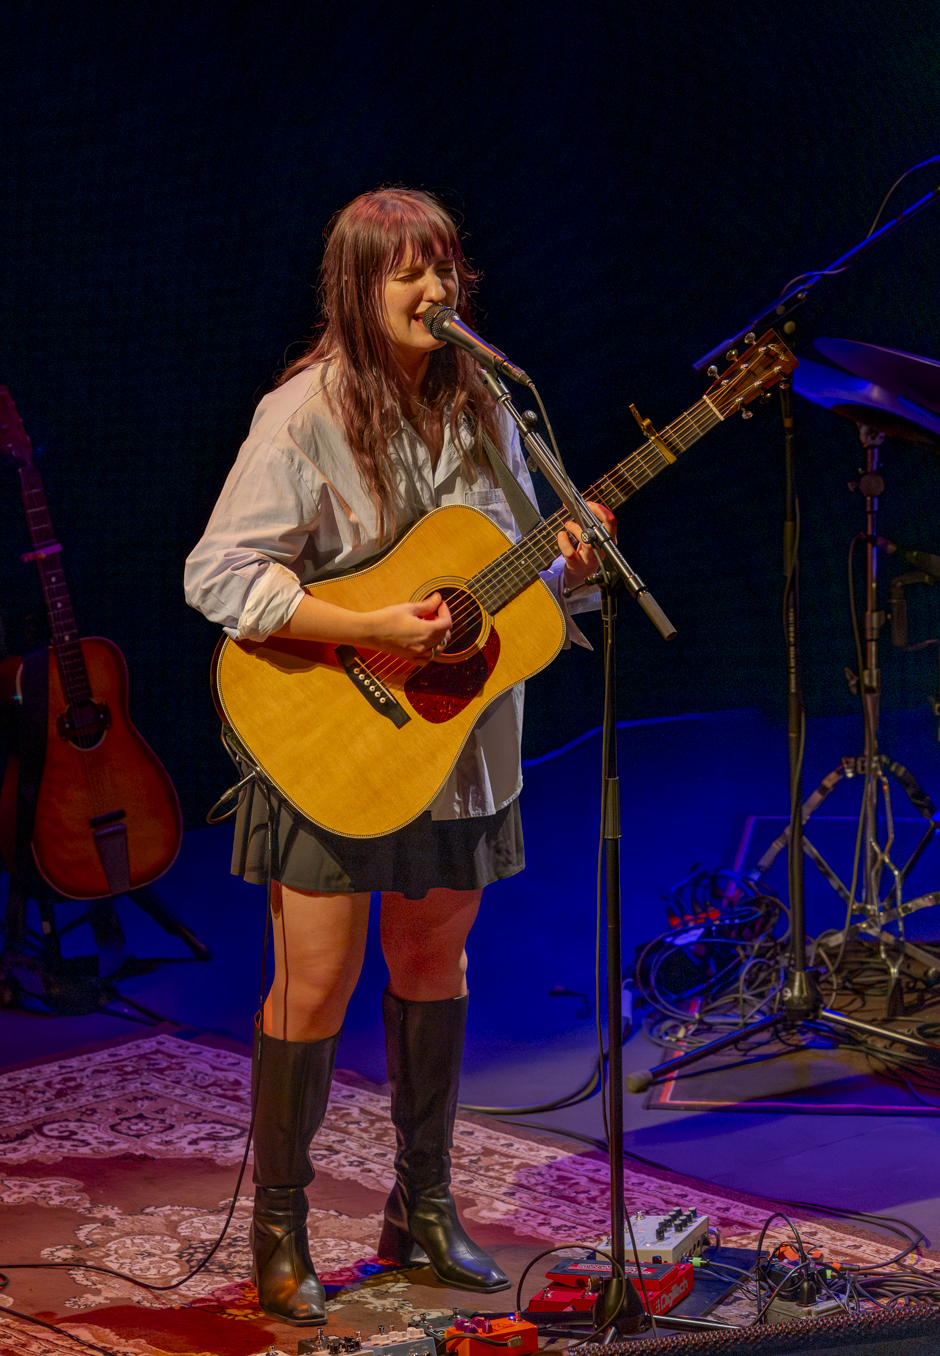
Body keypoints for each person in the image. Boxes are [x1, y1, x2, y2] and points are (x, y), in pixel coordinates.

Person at [183, 190, 606, 1325]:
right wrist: (368, 626)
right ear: (356, 290)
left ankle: (421, 1205)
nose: (433, 291)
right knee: (315, 981)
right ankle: (279, 1227)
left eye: (443, 268)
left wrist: (567, 567)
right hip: (332, 732)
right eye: (406, 273)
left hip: (453, 746)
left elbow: (506, 579)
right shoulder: (303, 411)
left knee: (433, 965)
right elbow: (219, 574)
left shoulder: (489, 407)